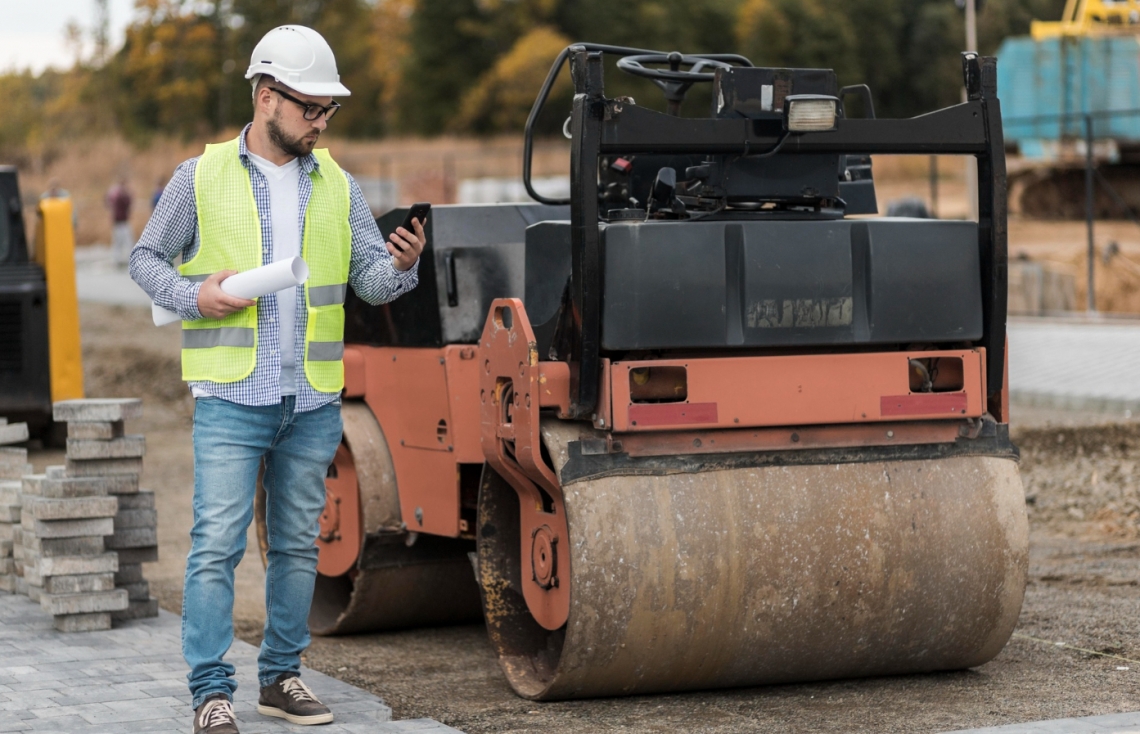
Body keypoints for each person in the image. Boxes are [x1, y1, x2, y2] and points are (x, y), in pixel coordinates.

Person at [129, 25, 426, 734]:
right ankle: (210, 692)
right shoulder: (198, 177)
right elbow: (146, 261)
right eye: (311, 109)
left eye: (330, 112)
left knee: (298, 544)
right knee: (217, 546)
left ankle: (281, 678)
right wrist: (198, 297)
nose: (322, 123)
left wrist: (405, 267)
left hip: (312, 398)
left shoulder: (340, 187)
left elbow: (370, 284)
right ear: (267, 98)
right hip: (231, 395)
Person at [107, 177, 133, 266]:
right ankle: (117, 259)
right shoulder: (118, 195)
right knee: (121, 241)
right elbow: (127, 202)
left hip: (121, 221)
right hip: (119, 222)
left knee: (124, 241)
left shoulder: (114, 194)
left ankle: (120, 259)